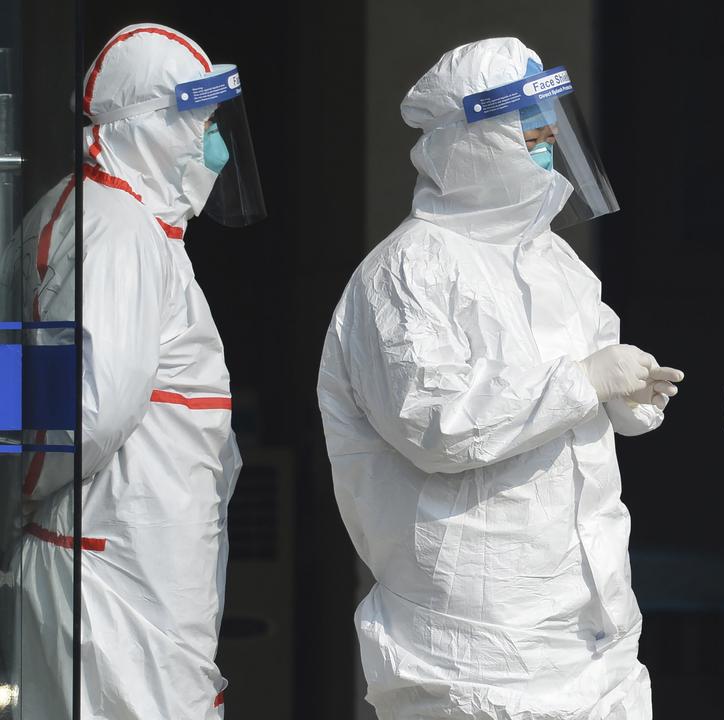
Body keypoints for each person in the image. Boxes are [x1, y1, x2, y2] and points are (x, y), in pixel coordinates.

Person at [317, 37, 681, 720]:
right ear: (469, 142)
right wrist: (581, 383)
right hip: (472, 637)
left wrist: (626, 398)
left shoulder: (556, 263)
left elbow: (592, 373)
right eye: (530, 136)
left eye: (553, 134)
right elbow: (439, 427)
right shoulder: (408, 272)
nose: (548, 154)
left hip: (588, 619)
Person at [13, 23, 265, 719]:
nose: (215, 144)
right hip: (115, 582)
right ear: (149, 126)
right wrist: (21, 489)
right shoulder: (117, 229)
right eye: (200, 121)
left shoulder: (119, 223)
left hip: (135, 575)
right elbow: (85, 410)